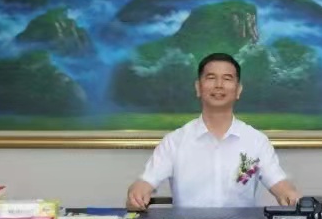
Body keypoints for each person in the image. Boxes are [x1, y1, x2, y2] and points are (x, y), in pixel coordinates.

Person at [126, 53, 301, 210]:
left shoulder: (256, 141)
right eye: (211, 78)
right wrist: (136, 194)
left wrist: (289, 195)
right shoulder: (174, 141)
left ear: (238, 90)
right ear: (198, 87)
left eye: (227, 78)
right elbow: (145, 182)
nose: (219, 85)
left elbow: (279, 183)